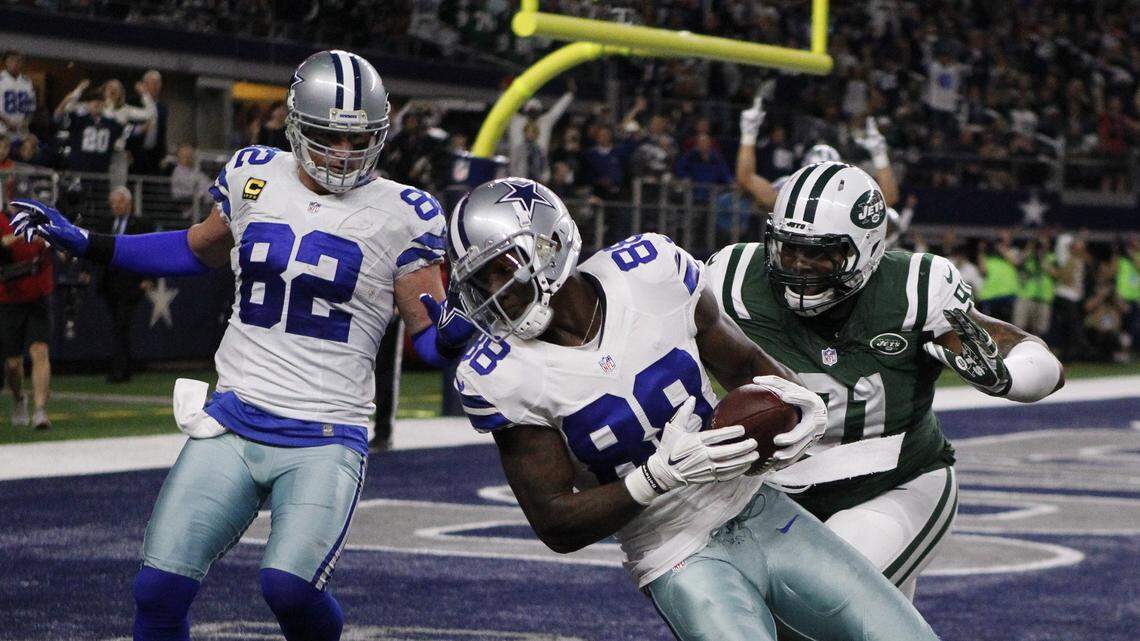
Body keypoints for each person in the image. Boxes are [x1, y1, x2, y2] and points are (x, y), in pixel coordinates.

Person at [11, 49, 474, 641]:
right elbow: (193, 249)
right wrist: (88, 242)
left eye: (358, 140)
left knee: (290, 589)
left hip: (325, 433)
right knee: (157, 590)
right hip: (232, 417)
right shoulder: (254, 173)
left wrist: (455, 339)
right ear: (295, 126)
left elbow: (426, 337)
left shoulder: (406, 213)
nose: (343, 154)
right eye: (328, 136)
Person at [448, 176, 941, 641]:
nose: (494, 293)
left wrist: (798, 403)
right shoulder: (500, 373)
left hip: (760, 507)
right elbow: (557, 522)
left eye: (502, 268)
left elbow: (748, 364)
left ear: (548, 246)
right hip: (673, 552)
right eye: (479, 280)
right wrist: (657, 477)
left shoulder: (649, 270)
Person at [706, 162, 1064, 604]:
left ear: (868, 249)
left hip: (893, 484)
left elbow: (1029, 353)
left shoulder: (913, 289)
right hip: (775, 489)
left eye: (821, 254)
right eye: (788, 249)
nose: (799, 266)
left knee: (813, 601)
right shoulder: (735, 278)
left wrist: (1013, 379)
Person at [735, 97, 900, 211]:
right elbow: (746, 179)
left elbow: (887, 199)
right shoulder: (792, 189)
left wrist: (880, 155)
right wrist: (748, 135)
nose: (821, 179)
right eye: (817, 172)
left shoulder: (845, 193)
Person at [0, 203, 53, 430]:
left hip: (37, 295)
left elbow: (56, 244)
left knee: (40, 350)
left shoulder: (41, 219)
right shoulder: (3, 222)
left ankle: (40, 411)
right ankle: (19, 398)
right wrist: (17, 237)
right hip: (9, 298)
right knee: (13, 363)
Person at [98, 187, 155, 383]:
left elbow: (150, 252)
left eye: (118, 202)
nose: (115, 206)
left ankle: (120, 371)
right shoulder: (105, 224)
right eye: (112, 202)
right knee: (116, 327)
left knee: (122, 326)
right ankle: (121, 367)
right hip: (109, 283)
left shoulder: (141, 224)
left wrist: (149, 278)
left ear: (129, 203)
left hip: (131, 283)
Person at [0, 50, 36, 140]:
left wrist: (26, 121)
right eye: (11, 60)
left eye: (18, 60)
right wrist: (6, 121)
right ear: (6, 62)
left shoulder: (27, 81)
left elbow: (32, 106)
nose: (15, 63)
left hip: (21, 132)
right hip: (2, 131)